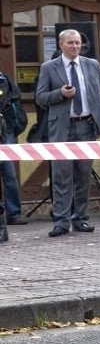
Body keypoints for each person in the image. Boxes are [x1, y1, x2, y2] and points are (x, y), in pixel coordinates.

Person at [35, 28, 100, 238]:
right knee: (61, 176)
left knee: (83, 175)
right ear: (61, 44)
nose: (75, 46)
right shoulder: (49, 68)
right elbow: (40, 98)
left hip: (86, 126)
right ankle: (61, 221)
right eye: (71, 43)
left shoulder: (92, 65)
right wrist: (60, 94)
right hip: (62, 127)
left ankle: (81, 219)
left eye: (78, 43)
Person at [0, 68, 29, 226]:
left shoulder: (3, 78)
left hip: (5, 131)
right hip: (7, 131)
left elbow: (7, 97)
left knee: (9, 174)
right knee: (10, 175)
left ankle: (13, 213)